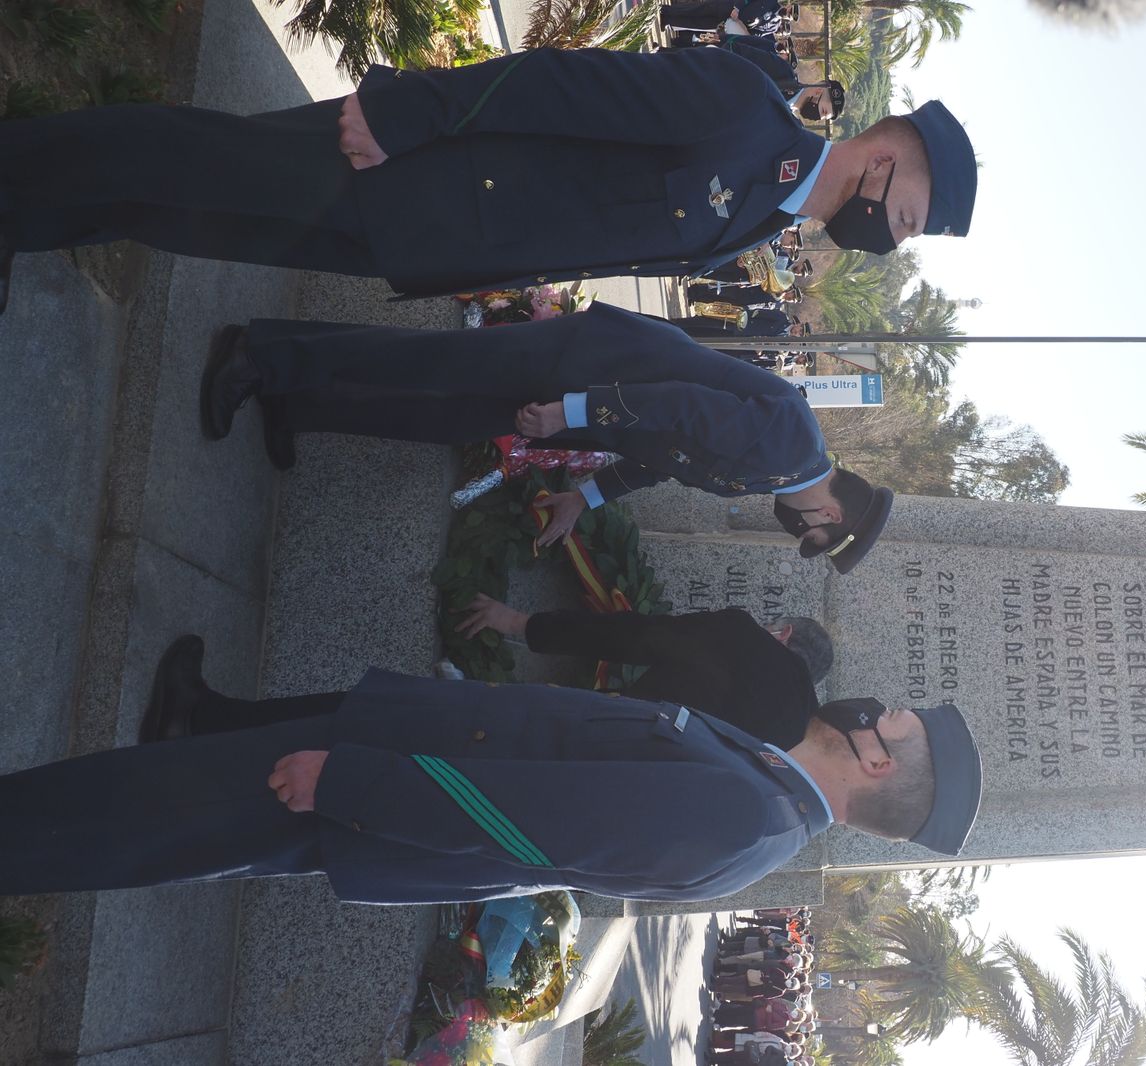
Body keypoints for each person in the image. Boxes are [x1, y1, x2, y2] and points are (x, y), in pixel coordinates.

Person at [0, 635, 983, 902]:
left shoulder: (749, 818)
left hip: (370, 786)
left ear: (874, 758)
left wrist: (348, 782)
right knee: (126, 805)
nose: (878, 705)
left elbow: (526, 821)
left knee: (123, 816)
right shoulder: (764, 789)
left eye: (893, 718)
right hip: (398, 754)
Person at [0, 47, 977, 311]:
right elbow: (560, 83)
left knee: (189, 218)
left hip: (426, 238)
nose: (891, 238)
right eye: (907, 217)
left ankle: (24, 221)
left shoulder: (762, 223)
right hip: (414, 163)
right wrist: (409, 112)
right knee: (190, 159)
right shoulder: (742, 111)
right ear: (884, 159)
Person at [202, 303, 895, 573]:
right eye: (814, 535)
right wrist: (571, 410)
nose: (797, 533)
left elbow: (664, 457)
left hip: (588, 398)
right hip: (592, 364)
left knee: (435, 418)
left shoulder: (778, 473)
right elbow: (680, 406)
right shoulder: (791, 446)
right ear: (832, 512)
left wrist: (582, 497)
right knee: (423, 365)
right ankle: (259, 350)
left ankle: (295, 403)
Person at [453, 600, 831, 745]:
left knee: (478, 732)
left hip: (612, 730)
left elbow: (636, 637)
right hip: (637, 794)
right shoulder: (801, 742)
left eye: (771, 626)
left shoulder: (745, 639)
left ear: (783, 634)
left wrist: (521, 623)